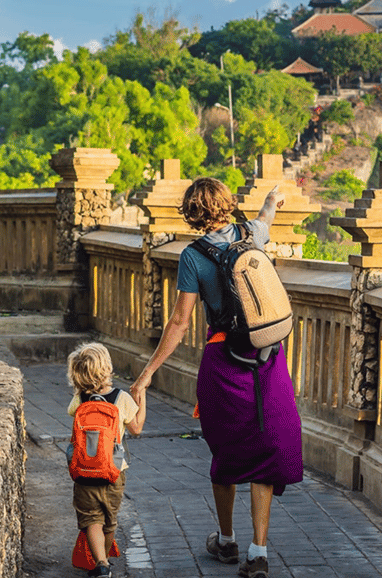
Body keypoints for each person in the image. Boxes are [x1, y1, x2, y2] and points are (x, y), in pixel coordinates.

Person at [129, 178, 302, 578]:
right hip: (267, 357)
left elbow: (179, 321)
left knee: (225, 451)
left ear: (191, 214)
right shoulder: (251, 234)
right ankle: (258, 551)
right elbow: (266, 216)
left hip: (224, 361)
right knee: (264, 449)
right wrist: (271, 199)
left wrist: (147, 373)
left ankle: (226, 541)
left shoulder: (192, 257)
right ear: (228, 204)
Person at [67, 342, 146, 578]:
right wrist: (141, 401)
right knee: (109, 520)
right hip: (114, 470)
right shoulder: (121, 398)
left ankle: (101, 564)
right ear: (108, 369)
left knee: (91, 518)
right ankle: (104, 557)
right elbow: (136, 428)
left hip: (83, 470)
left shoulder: (79, 399)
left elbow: (73, 413)